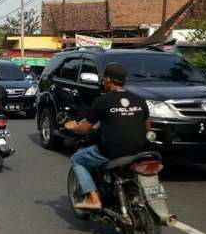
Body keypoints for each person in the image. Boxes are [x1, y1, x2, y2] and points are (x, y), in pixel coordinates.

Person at [63, 62, 150, 211]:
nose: (102, 81)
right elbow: (147, 127)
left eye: (103, 79)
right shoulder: (139, 100)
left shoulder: (102, 101)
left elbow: (84, 129)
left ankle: (93, 198)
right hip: (139, 150)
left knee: (77, 159)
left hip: (112, 151)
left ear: (108, 80)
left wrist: (73, 126)